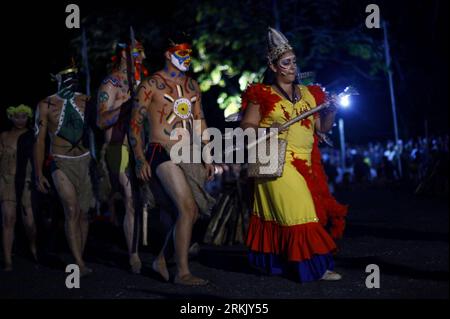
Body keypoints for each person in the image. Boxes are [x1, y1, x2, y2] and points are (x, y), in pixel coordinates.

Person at [240, 27, 347, 282]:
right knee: (300, 209)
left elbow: (323, 129)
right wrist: (268, 130)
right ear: (274, 66)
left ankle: (285, 264)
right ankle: (313, 268)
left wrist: (330, 110)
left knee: (304, 210)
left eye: (294, 61)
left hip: (307, 161)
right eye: (286, 63)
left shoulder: (312, 94)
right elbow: (246, 127)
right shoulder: (261, 95)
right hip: (276, 159)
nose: (292, 67)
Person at [130, 32, 215, 286]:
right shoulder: (150, 85)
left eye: (189, 54)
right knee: (186, 208)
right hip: (161, 151)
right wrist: (138, 158)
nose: (187, 59)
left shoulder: (192, 86)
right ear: (168, 54)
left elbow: (199, 121)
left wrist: (207, 155)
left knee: (190, 211)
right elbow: (134, 124)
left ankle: (161, 260)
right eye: (182, 53)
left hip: (188, 152)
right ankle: (182, 273)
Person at [34, 62, 94, 276]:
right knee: (71, 209)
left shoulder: (86, 101)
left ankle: (80, 253)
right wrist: (39, 173)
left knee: (85, 213)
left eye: (74, 75)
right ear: (57, 78)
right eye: (66, 76)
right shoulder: (46, 105)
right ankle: (78, 263)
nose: (71, 79)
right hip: (60, 161)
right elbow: (40, 140)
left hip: (84, 160)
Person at [97, 39, 147, 274]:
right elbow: (100, 120)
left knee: (142, 199)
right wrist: (128, 107)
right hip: (118, 147)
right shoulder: (110, 83)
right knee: (129, 198)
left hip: (140, 147)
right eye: (139, 53)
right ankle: (133, 255)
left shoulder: (139, 83)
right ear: (125, 55)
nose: (143, 58)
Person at [1, 104, 38, 271]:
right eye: (17, 116)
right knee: (8, 219)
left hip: (26, 180)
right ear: (11, 117)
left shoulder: (32, 135)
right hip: (6, 180)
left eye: (24, 116)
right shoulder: (4, 136)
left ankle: (33, 247)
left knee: (29, 220)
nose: (20, 120)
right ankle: (8, 259)